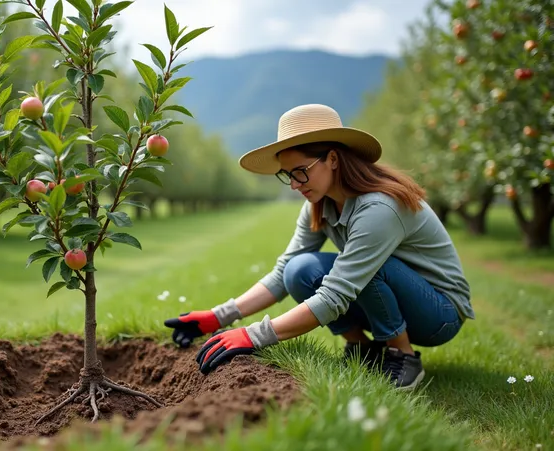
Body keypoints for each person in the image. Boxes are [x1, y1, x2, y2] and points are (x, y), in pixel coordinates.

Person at [164, 104, 474, 390]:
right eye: (288, 176)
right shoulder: (319, 204)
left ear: (334, 159)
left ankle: (402, 356)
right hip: (397, 297)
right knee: (300, 269)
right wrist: (219, 316)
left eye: (301, 171)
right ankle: (362, 347)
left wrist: (252, 335)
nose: (295, 184)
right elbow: (285, 272)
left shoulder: (379, 208)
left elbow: (337, 294)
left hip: (438, 314)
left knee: (364, 269)